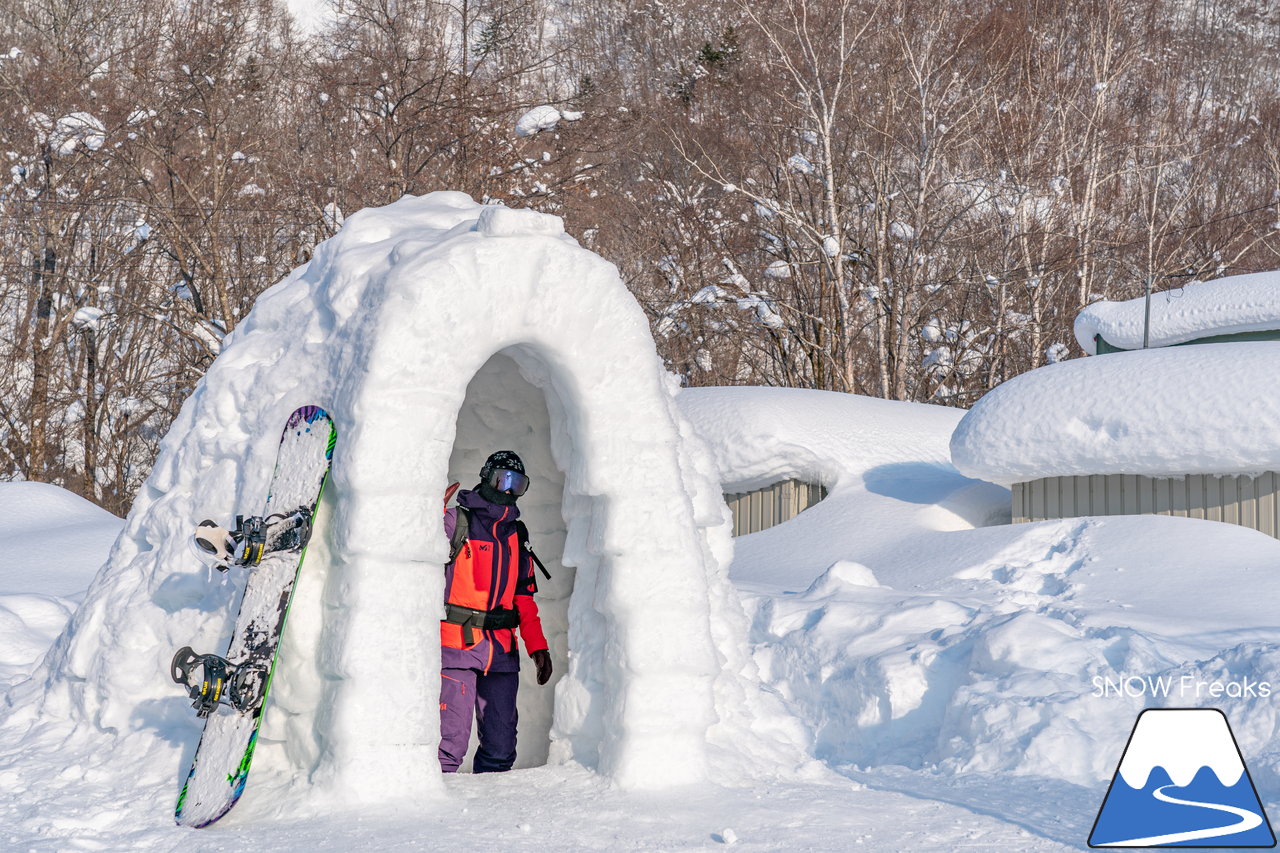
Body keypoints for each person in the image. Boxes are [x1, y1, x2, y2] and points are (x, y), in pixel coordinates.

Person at [438, 450, 553, 773]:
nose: (508, 490)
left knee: (501, 747)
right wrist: (430, 511)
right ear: (486, 477)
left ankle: (490, 818)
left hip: (501, 651)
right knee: (450, 743)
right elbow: (413, 544)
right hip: (457, 646)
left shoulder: (517, 535)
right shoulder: (457, 521)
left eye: (518, 484)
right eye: (503, 479)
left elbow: (524, 599)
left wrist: (538, 647)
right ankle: (435, 817)